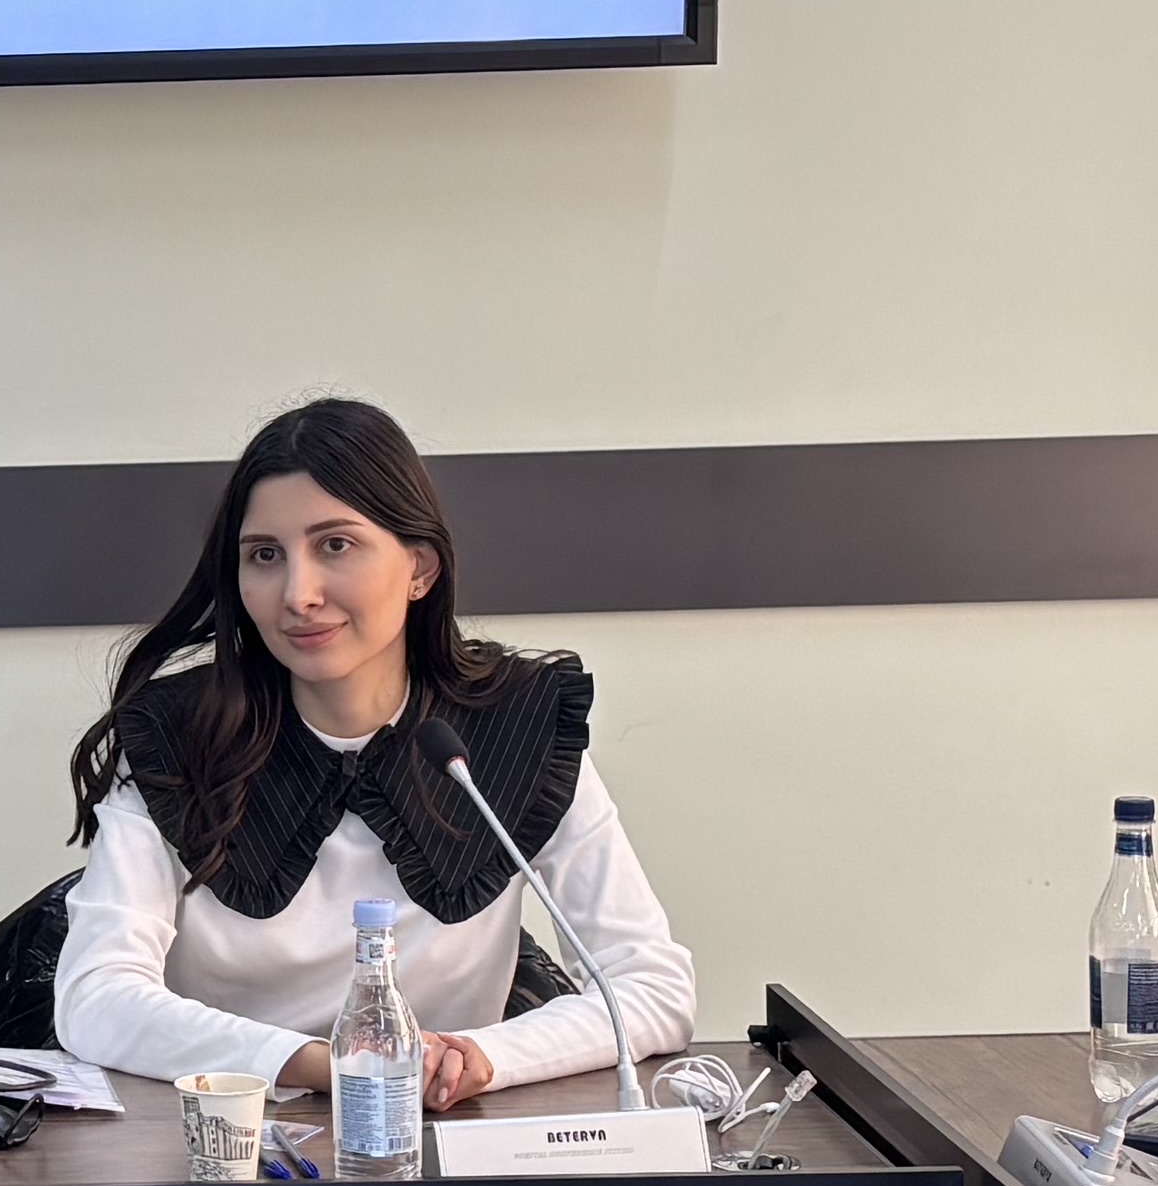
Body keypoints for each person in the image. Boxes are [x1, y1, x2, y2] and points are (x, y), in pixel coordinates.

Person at [50, 398, 695, 1102]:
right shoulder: (176, 736)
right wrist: (324, 1065)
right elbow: (96, 997)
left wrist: (480, 1058)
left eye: (335, 545)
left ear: (420, 567)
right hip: (230, 1139)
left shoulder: (515, 730)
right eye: (265, 555)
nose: (298, 594)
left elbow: (651, 986)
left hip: (438, 1139)